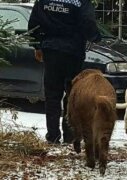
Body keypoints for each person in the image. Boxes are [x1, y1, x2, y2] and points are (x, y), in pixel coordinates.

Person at [28, 0, 101, 144]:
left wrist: (37, 45)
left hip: (51, 50)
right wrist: (95, 37)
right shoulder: (80, 1)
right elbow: (87, 21)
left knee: (52, 94)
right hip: (73, 52)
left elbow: (34, 23)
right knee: (72, 94)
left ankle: (53, 135)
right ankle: (70, 135)